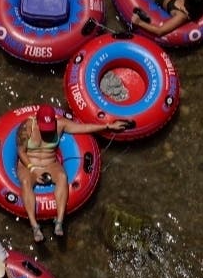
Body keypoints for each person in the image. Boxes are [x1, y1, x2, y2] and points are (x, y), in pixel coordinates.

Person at [16, 104, 129, 243]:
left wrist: (107, 126)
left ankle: (59, 222)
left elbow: (82, 128)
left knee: (63, 177)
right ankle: (35, 226)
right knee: (26, 182)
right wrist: (32, 168)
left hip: (50, 164)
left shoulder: (60, 125)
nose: (47, 131)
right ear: (37, 121)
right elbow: (21, 151)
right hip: (29, 165)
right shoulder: (27, 127)